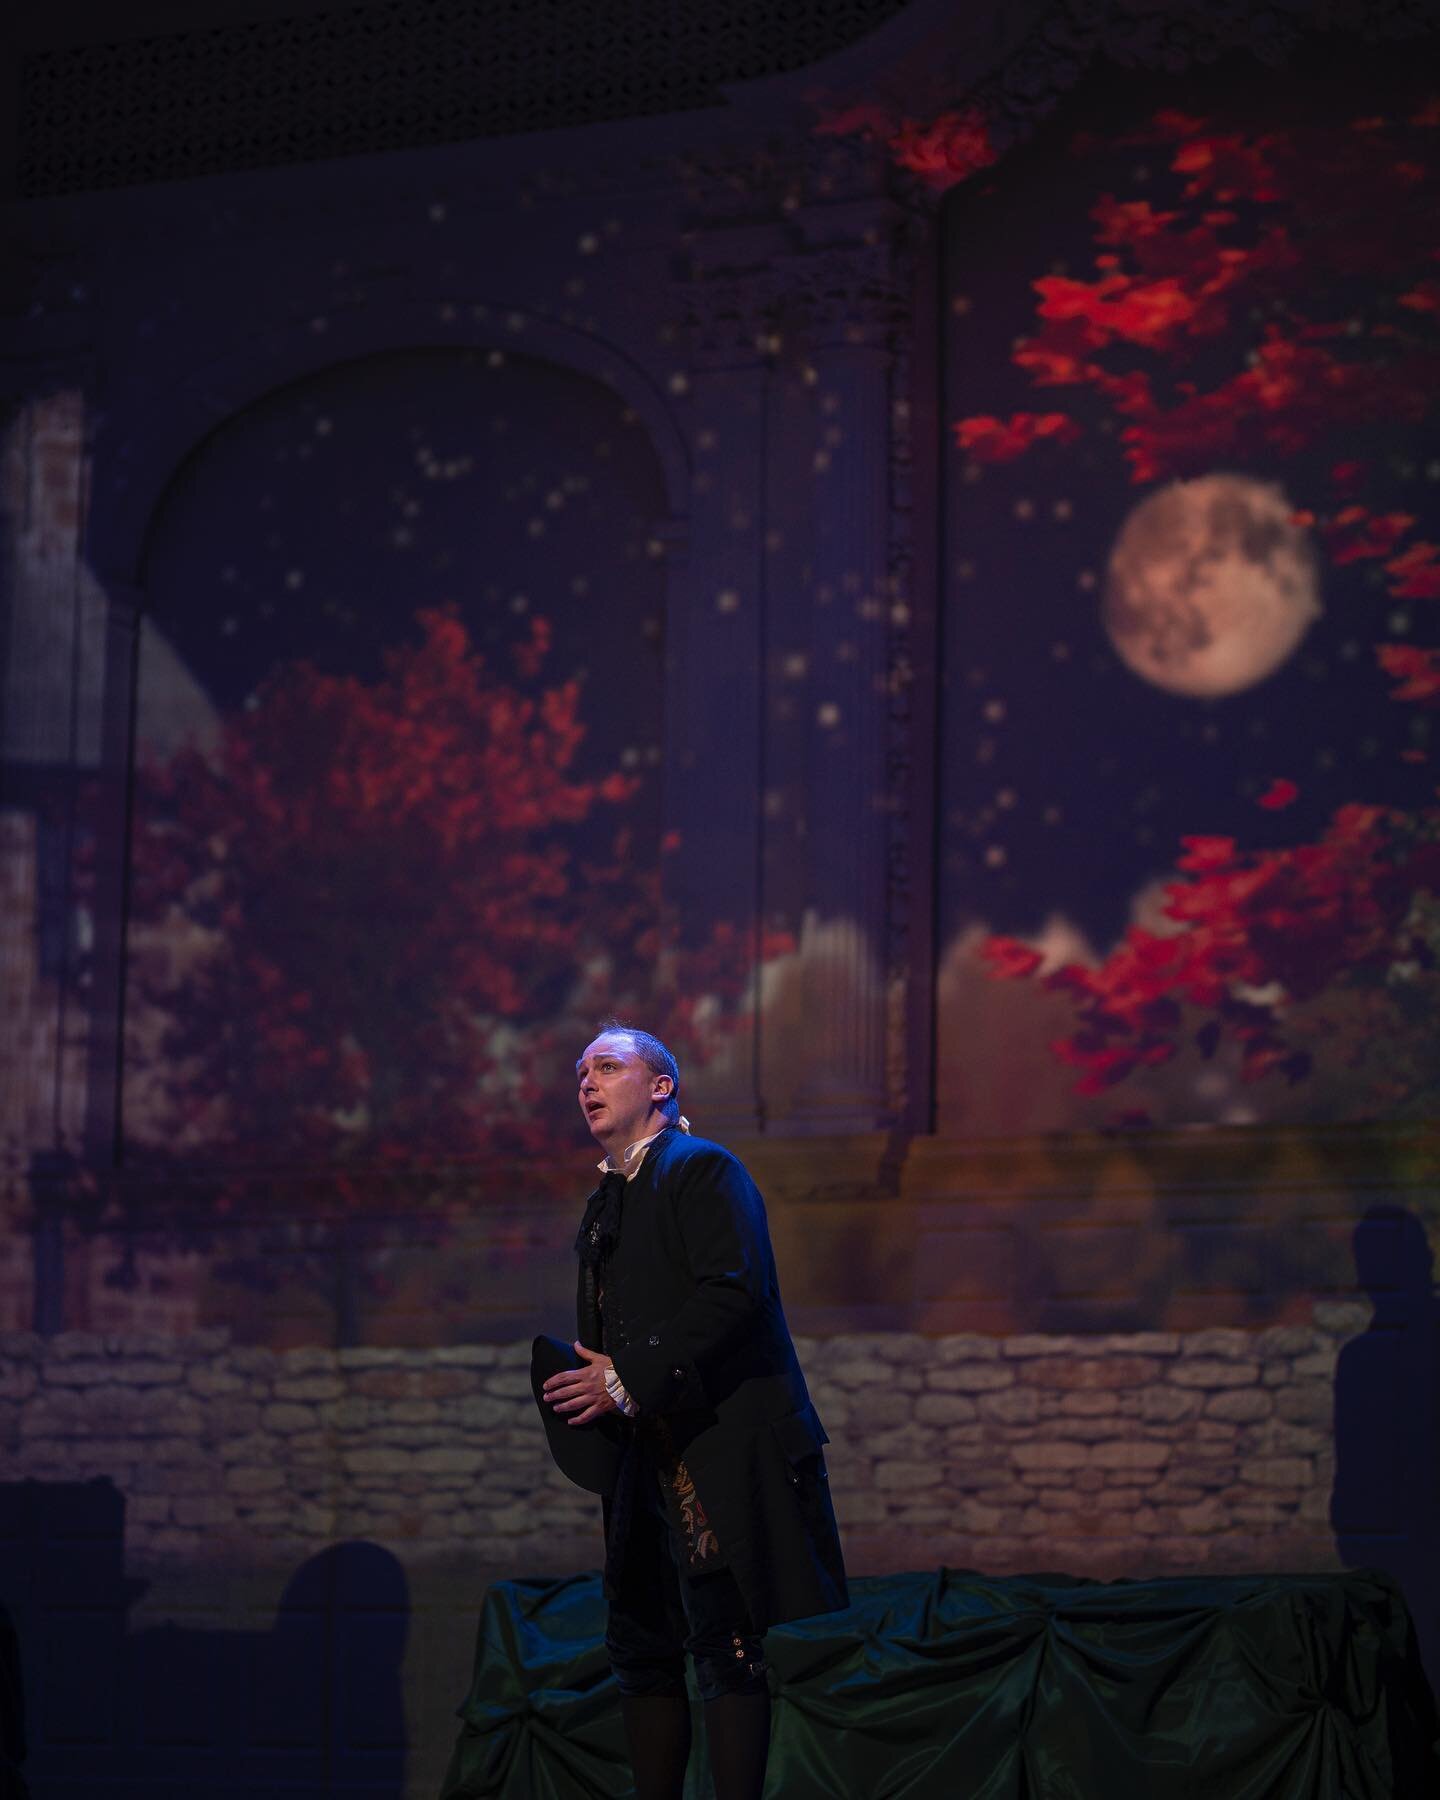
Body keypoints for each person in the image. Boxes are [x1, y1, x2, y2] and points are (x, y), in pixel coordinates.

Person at [540, 1023, 847, 1800]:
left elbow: (732, 1291)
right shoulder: (611, 1194)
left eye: (607, 1066)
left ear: (660, 1086)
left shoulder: (701, 1168)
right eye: (580, 1071)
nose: (586, 1082)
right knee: (641, 1643)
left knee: (726, 1641)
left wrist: (626, 1378)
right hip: (645, 1454)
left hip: (712, 1445)